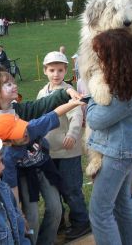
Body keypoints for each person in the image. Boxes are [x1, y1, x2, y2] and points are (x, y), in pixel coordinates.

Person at [0, 71, 82, 245]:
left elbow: (44, 106)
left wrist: (66, 92)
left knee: (56, 209)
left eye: (13, 82)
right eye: (8, 84)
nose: (14, 86)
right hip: (21, 172)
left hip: (42, 165)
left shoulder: (19, 109)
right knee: (30, 216)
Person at [86, 29, 132, 245]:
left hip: (118, 154)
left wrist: (92, 96)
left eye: (103, 57)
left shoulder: (124, 90)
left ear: (115, 59)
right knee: (123, 202)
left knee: (100, 212)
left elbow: (95, 120)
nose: (100, 61)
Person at [0, 99, 86, 245]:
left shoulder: (32, 127)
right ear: (8, 142)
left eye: (21, 128)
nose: (24, 134)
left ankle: (46, 241)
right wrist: (18, 212)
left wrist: (74, 103)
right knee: (31, 217)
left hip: (45, 167)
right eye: (18, 135)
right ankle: (31, 242)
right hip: (25, 176)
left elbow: (56, 112)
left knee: (56, 209)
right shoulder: (8, 156)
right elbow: (12, 186)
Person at [36, 51, 90, 240]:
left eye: (60, 70)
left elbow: (76, 115)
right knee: (53, 190)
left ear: (66, 70)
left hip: (68, 151)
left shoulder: (70, 91)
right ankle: (58, 221)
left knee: (71, 189)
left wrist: (73, 134)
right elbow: (39, 117)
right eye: (52, 70)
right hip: (49, 152)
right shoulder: (42, 93)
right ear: (45, 71)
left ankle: (81, 222)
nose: (56, 74)